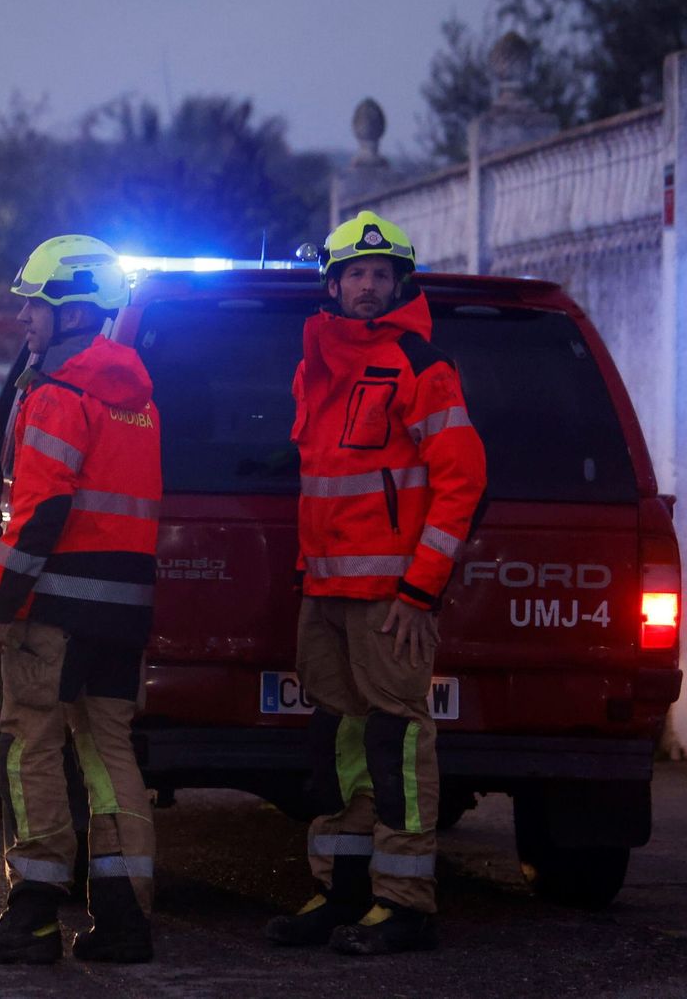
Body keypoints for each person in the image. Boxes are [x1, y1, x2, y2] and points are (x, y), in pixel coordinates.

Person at [265, 213, 486, 956]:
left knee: (397, 745)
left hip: (392, 600)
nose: (366, 286)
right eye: (354, 274)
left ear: (399, 284)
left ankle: (406, 904)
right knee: (337, 744)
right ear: (332, 284)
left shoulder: (422, 365)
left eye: (380, 275)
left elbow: (462, 483)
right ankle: (343, 891)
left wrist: (420, 591)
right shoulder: (315, 364)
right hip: (325, 592)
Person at [0, 235, 162, 967]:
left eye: (35, 306)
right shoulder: (137, 395)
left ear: (72, 311)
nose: (24, 320)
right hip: (122, 612)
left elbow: (39, 513)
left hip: (57, 610)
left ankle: (34, 915)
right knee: (110, 758)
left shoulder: (59, 393)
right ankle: (126, 921)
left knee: (29, 747)